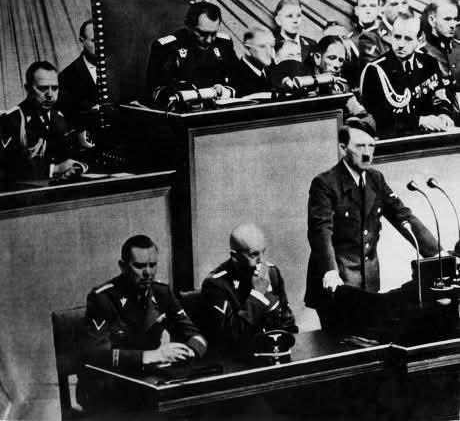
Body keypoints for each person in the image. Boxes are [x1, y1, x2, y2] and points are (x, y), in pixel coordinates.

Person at [304, 119, 439, 330]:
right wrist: (330, 271)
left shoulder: (376, 179)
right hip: (337, 283)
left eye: (371, 146)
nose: (367, 153)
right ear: (342, 149)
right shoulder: (325, 183)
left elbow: (403, 217)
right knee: (340, 342)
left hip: (368, 283)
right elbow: (321, 231)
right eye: (360, 146)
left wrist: (438, 254)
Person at [77, 235, 207, 410]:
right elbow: (97, 355)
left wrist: (189, 351)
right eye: (139, 266)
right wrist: (154, 355)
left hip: (149, 383)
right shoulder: (103, 298)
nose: (148, 273)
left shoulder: (162, 292)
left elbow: (195, 335)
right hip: (108, 387)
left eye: (152, 265)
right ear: (123, 267)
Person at [201, 223, 297, 355]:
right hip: (236, 358)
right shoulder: (216, 285)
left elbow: (289, 325)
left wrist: (269, 298)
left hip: (271, 352)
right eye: (254, 255)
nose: (261, 261)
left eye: (263, 252)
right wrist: (258, 295)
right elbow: (231, 338)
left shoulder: (272, 272)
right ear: (235, 257)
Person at [361, 13, 454, 138]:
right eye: (397, 37)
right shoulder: (375, 70)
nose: (401, 44)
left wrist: (444, 114)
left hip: (430, 136)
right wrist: (419, 121)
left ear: (420, 40)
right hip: (392, 141)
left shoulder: (429, 63)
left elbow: (440, 97)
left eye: (408, 39)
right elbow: (378, 118)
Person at [0, 61, 83, 184]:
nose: (50, 94)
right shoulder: (12, 120)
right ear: (28, 89)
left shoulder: (60, 118)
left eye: (55, 88)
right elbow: (4, 168)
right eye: (42, 88)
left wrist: (77, 167)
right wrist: (53, 169)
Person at [146, 1, 238, 103]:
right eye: (202, 33)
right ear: (188, 25)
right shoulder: (167, 47)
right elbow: (154, 92)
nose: (208, 40)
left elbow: (239, 82)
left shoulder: (224, 44)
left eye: (213, 34)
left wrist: (224, 91)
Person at [420, 0, 460, 115]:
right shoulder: (422, 53)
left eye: (455, 19)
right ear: (432, 20)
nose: (453, 24)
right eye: (447, 19)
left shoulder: (457, 47)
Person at [58, 19, 99, 132]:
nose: (100, 45)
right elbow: (66, 115)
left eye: (102, 40)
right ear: (82, 41)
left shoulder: (117, 69)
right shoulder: (66, 76)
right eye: (94, 40)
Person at [359, 0, 411, 66]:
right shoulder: (370, 38)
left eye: (404, 3)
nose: (401, 10)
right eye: (395, 4)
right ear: (382, 6)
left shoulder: (415, 33)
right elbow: (375, 71)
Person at [232, 27, 274, 97]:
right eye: (262, 46)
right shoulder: (235, 76)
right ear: (247, 50)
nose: (270, 52)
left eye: (271, 46)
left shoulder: (273, 72)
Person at [272, 0, 316, 65]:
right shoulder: (271, 45)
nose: (295, 20)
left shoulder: (312, 45)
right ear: (278, 20)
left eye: (298, 15)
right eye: (290, 16)